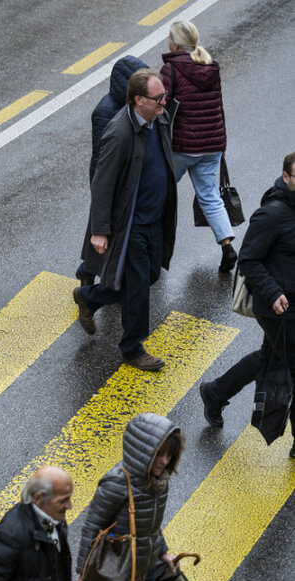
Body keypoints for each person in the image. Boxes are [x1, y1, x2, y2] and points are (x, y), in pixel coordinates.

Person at [74, 69, 178, 372]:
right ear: (137, 100)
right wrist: (100, 230)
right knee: (138, 288)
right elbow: (102, 183)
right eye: (158, 98)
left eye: (164, 96)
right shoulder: (119, 132)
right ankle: (133, 348)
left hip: (155, 218)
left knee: (150, 276)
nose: (164, 102)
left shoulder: (159, 118)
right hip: (132, 224)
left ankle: (90, 297)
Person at [200, 152, 295, 459]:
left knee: (270, 357)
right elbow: (249, 260)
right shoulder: (272, 215)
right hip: (278, 306)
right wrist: (273, 293)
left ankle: (215, 392)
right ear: (286, 178)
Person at [73, 413, 188, 581]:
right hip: (111, 572)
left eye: (169, 455)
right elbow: (92, 527)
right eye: (159, 454)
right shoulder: (116, 483)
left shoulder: (160, 482)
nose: (164, 461)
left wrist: (163, 553)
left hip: (143, 569)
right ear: (142, 452)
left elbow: (150, 525)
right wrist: (83, 575)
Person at [161, 20, 236, 272]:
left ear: (175, 43)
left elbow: (162, 107)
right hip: (212, 145)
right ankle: (227, 247)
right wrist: (222, 143)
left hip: (182, 147)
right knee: (210, 197)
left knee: (160, 191)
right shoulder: (210, 66)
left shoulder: (171, 69)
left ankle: (152, 247)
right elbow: (219, 106)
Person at [78, 55, 149, 287]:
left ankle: (94, 274)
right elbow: (101, 158)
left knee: (113, 232)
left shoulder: (131, 107)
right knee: (102, 231)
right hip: (109, 181)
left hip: (126, 178)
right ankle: (87, 275)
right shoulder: (106, 111)